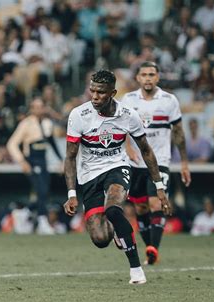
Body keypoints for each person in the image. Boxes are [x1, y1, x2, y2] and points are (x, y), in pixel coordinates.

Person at [63, 70, 172, 285]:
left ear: (112, 93)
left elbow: (146, 150)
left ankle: (136, 269)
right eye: (92, 90)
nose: (94, 96)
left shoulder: (128, 115)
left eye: (100, 92)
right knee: (100, 239)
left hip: (117, 167)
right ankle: (116, 230)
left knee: (113, 209)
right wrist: (72, 193)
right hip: (89, 175)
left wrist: (158, 185)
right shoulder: (78, 115)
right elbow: (70, 157)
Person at [121, 61, 191, 265]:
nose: (148, 78)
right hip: (135, 163)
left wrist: (184, 162)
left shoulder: (169, 100)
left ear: (158, 78)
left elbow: (178, 132)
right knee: (140, 208)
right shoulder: (128, 99)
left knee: (155, 202)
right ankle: (151, 250)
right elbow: (121, 126)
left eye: (152, 74)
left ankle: (153, 248)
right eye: (144, 74)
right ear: (138, 78)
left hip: (160, 160)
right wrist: (127, 146)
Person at [7, 97, 63, 235]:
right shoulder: (26, 124)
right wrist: (21, 161)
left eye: (40, 106)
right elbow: (12, 144)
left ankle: (23, 213)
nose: (38, 110)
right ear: (31, 109)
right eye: (35, 107)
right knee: (41, 190)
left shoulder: (47, 123)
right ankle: (42, 221)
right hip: (31, 160)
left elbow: (52, 143)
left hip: (43, 160)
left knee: (44, 192)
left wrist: (62, 160)